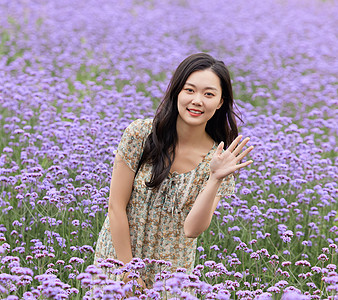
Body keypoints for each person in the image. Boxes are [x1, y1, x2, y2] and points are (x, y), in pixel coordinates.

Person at [93, 53, 254, 291]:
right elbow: (116, 207)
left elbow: (192, 229)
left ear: (220, 102)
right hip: (118, 260)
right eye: (190, 90)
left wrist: (215, 179)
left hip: (171, 276)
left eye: (209, 94)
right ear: (177, 92)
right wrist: (129, 272)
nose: (197, 100)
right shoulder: (140, 134)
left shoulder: (220, 159)